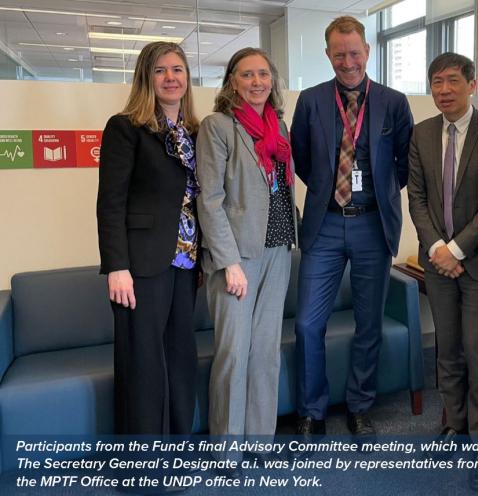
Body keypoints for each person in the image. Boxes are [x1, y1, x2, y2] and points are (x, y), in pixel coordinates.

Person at [290, 15, 414, 442]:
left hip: (371, 225)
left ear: (368, 51)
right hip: (324, 224)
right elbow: (301, 159)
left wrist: (372, 193)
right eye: (339, 54)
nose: (348, 62)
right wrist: (330, 190)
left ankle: (360, 406)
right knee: (308, 323)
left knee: (368, 323)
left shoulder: (394, 102)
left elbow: (404, 162)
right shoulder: (310, 101)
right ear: (328, 55)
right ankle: (311, 411)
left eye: (355, 53)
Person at [196, 47, 297, 471]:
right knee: (234, 353)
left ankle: (260, 440)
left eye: (263, 74)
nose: (257, 82)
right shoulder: (217, 126)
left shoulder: (279, 127)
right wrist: (228, 261)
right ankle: (226, 449)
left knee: (265, 352)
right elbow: (211, 198)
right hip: (236, 258)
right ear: (232, 81)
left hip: (278, 248)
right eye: (247, 75)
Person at [407, 53, 478, 492]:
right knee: (447, 352)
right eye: (436, 82)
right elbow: (418, 199)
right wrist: (438, 248)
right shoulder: (422, 133)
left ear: (471, 83)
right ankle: (455, 427)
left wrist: (459, 247)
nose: (443, 90)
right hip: (438, 262)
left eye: (451, 81)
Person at [97, 41, 200, 437]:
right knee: (143, 367)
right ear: (146, 77)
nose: (171, 77)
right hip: (140, 266)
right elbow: (110, 203)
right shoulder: (125, 127)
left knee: (179, 360)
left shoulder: (193, 131)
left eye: (177, 69)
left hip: (186, 263)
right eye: (160, 70)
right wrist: (117, 266)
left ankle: (176, 449)